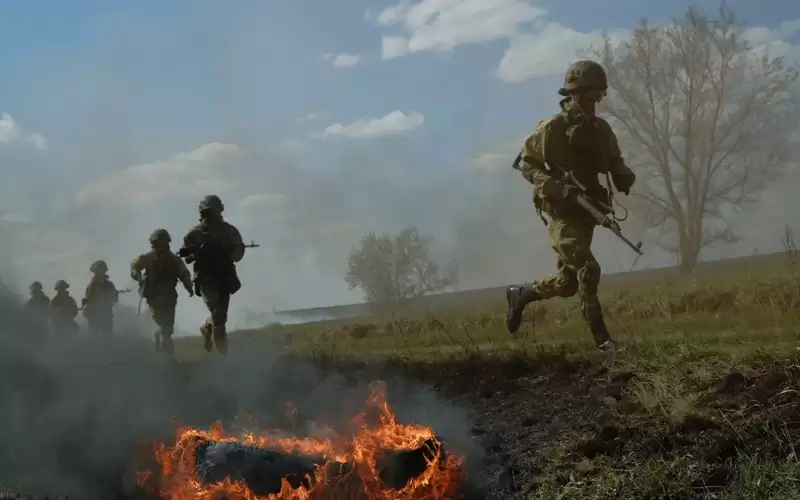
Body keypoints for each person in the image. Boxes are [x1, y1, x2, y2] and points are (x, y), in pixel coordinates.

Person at [506, 60, 636, 353]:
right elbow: (525, 163)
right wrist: (554, 185)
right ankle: (603, 341)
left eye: (597, 97)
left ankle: (522, 293)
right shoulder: (552, 128)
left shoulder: (600, 130)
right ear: (572, 95)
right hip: (560, 213)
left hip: (587, 210)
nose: (592, 103)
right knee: (588, 270)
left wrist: (622, 174)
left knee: (568, 284)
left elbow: (614, 160)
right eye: (587, 97)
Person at [180, 195, 245, 354]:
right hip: (205, 278)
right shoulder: (193, 234)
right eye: (208, 213)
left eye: (214, 212)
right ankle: (222, 355)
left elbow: (239, 250)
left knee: (219, 316)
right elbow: (186, 257)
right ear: (203, 213)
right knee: (218, 313)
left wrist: (227, 256)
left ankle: (209, 330)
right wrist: (197, 254)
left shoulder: (229, 231)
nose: (211, 216)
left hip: (224, 277)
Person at [131, 228, 194, 357]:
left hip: (169, 296)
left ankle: (165, 345)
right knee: (161, 323)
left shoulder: (175, 260)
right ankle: (166, 349)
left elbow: (184, 274)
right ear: (154, 242)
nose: (162, 244)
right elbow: (134, 268)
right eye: (159, 241)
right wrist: (139, 277)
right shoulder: (146, 258)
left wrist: (189, 287)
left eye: (164, 241)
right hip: (153, 296)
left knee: (168, 326)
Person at [81, 260, 119, 338]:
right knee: (95, 337)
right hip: (94, 314)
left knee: (106, 336)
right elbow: (88, 300)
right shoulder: (92, 285)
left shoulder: (108, 284)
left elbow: (114, 299)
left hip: (104, 315)